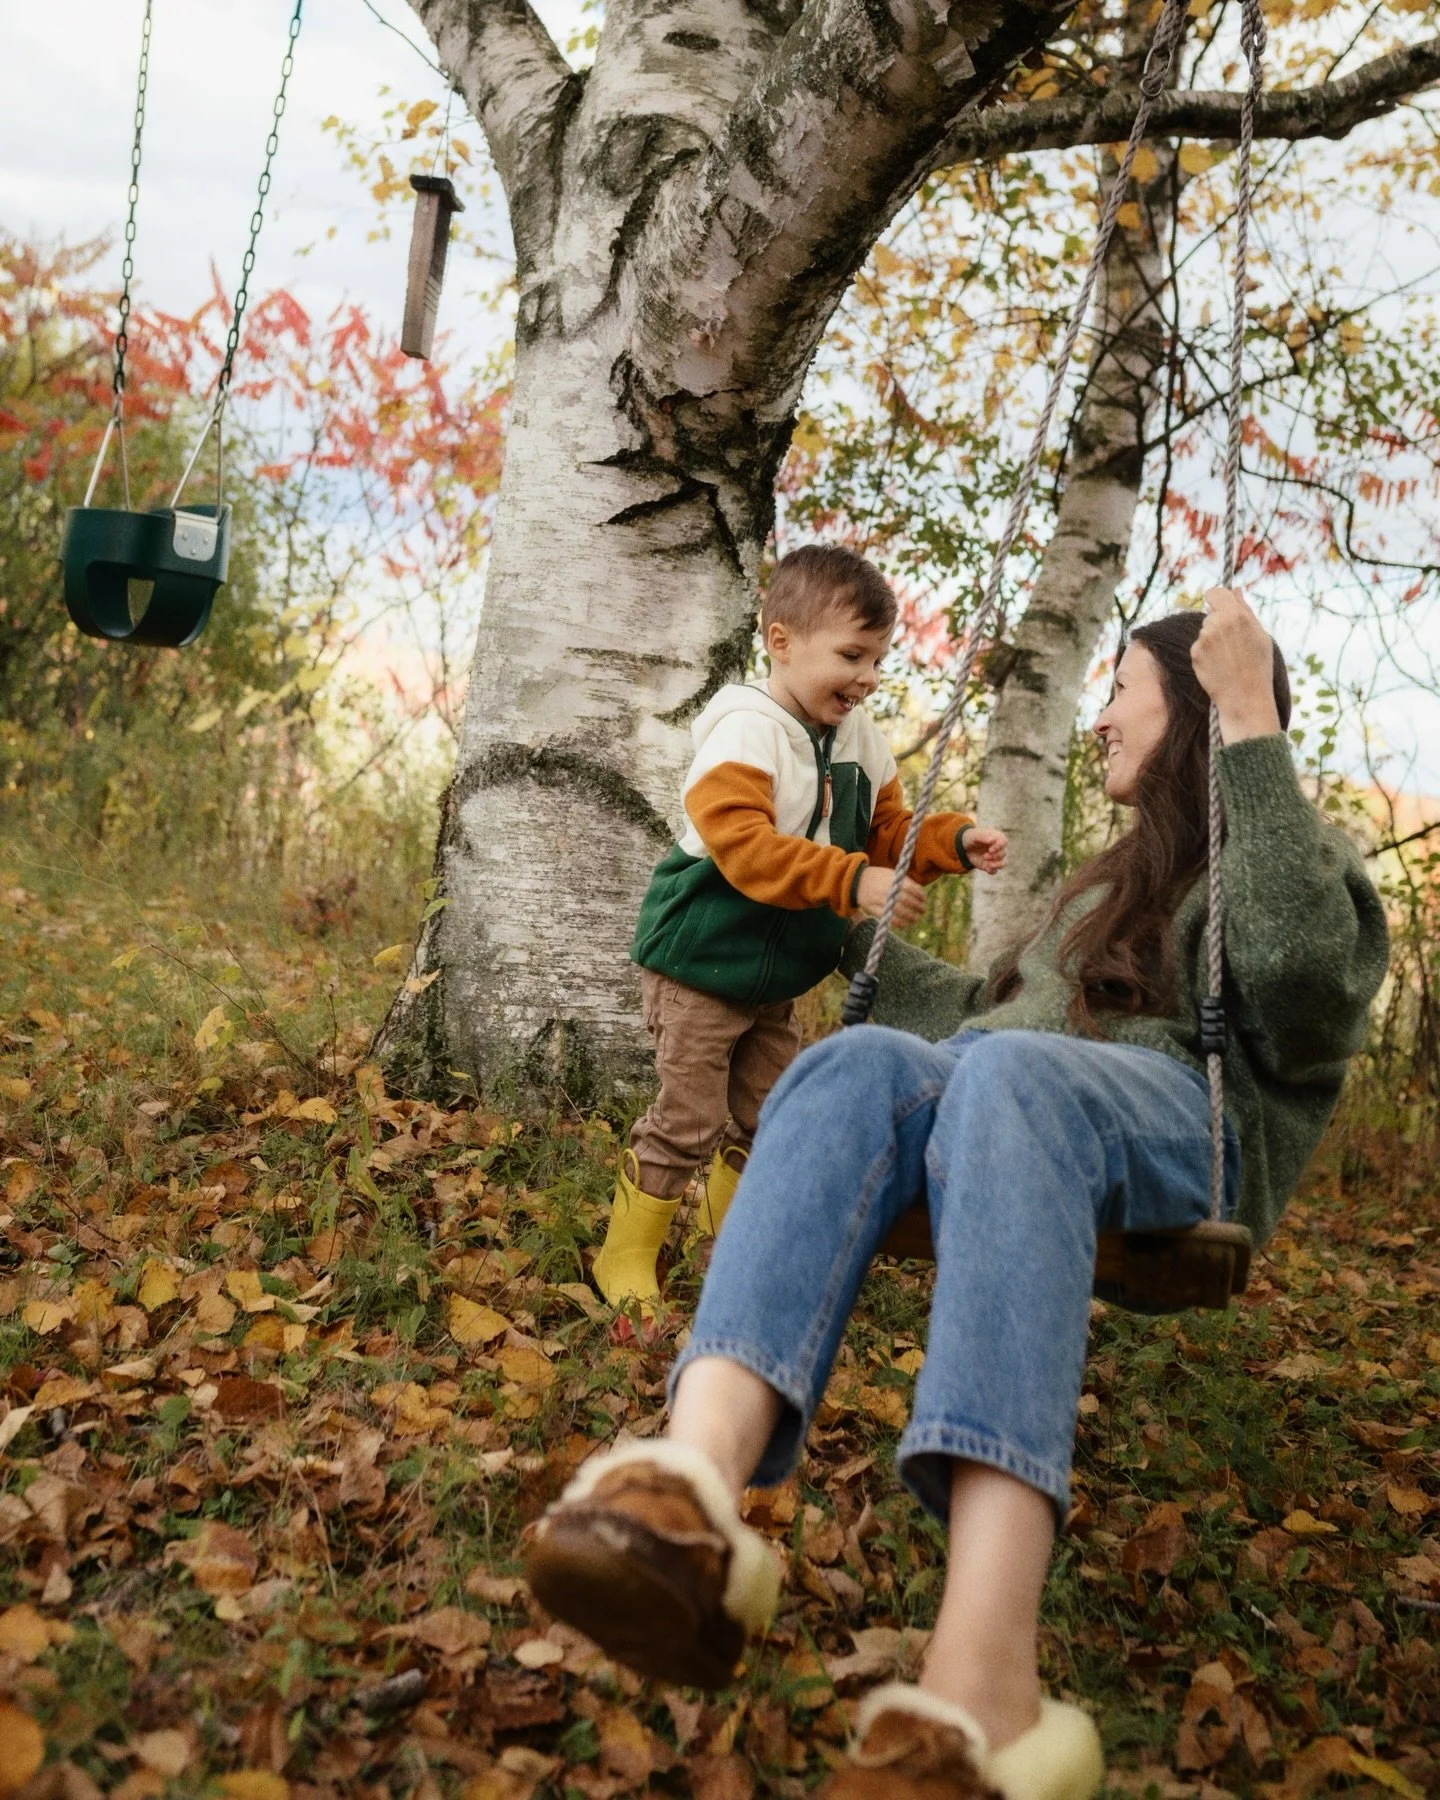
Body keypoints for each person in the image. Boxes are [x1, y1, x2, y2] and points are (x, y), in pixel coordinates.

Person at [528, 590, 1389, 1800]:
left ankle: (987, 1679)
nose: (1098, 724)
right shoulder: (1104, 882)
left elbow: (1302, 992)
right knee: (852, 1064)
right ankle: (692, 1499)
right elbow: (993, 1015)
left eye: (1123, 694)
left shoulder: (1291, 851)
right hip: (1008, 1089)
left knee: (1012, 1084)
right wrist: (828, 906)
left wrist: (1253, 720)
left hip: (1179, 1136)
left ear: (1196, 708)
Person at [593, 543, 1008, 1306]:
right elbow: (744, 849)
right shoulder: (745, 730)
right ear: (781, 641)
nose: (868, 676)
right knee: (691, 1118)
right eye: (852, 654)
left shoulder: (859, 738)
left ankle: (731, 1243)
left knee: (770, 1115)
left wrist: (948, 842)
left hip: (774, 977)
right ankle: (623, 1259)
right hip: (701, 964)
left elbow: (887, 832)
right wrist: (853, 881)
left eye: (878, 658)